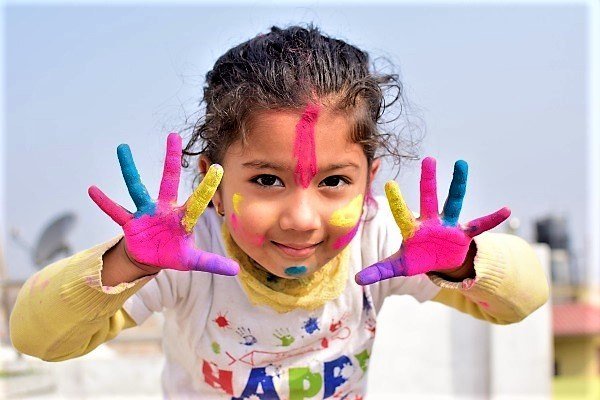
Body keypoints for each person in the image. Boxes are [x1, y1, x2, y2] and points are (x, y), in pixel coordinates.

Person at [10, 25, 548, 399]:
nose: (302, 217)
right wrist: (129, 261)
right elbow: (37, 338)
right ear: (212, 183)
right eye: (267, 180)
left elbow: (525, 298)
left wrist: (460, 264)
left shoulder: (381, 239)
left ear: (371, 181)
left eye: (335, 181)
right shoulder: (188, 253)